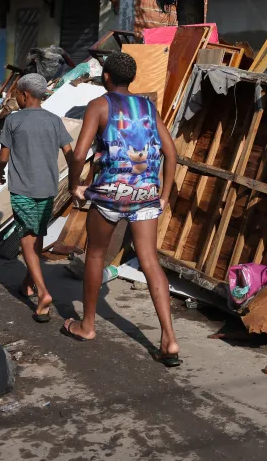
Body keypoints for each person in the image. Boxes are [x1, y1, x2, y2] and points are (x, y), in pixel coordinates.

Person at [65, 51, 181, 366]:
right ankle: (169, 339)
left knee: (96, 255)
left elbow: (78, 155)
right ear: (131, 78)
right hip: (145, 195)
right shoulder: (148, 107)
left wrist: (74, 185)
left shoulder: (99, 106)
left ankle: (87, 326)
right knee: (150, 262)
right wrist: (164, 195)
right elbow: (172, 154)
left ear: (106, 77)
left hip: (110, 195)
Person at [0, 72, 73, 323]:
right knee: (37, 236)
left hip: (23, 190)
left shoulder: (13, 121)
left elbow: (4, 156)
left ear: (25, 94)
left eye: (16, 92)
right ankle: (28, 282)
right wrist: (74, 180)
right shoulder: (54, 121)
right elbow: (70, 153)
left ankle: (43, 294)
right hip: (48, 189)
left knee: (27, 243)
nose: (16, 97)